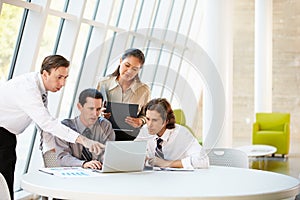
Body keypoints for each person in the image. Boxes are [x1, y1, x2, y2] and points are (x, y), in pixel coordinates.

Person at [0, 55, 104, 200]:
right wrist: (84, 141)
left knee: (6, 178)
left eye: (65, 78)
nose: (62, 83)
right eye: (59, 77)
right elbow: (48, 124)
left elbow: (46, 131)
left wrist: (53, 168)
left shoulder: (40, 90)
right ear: (45, 74)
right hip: (2, 133)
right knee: (4, 179)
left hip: (6, 135)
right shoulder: (27, 88)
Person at [134, 98, 209, 169]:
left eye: (155, 120)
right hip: (152, 178)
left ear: (165, 121)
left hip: (179, 179)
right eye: (148, 119)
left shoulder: (182, 134)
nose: (149, 124)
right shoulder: (144, 130)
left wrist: (167, 163)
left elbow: (203, 161)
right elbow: (134, 152)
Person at [53, 88, 115, 169]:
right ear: (80, 107)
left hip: (97, 174)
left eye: (98, 109)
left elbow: (108, 153)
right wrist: (83, 164)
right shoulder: (65, 127)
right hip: (72, 175)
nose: (95, 114)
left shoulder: (105, 126)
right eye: (91, 108)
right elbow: (62, 157)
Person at [97, 48, 150, 141]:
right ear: (121, 61)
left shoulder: (144, 91)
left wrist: (140, 121)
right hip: (102, 135)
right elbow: (91, 110)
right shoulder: (104, 83)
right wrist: (100, 113)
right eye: (127, 65)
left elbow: (147, 115)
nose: (129, 71)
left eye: (134, 69)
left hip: (128, 138)